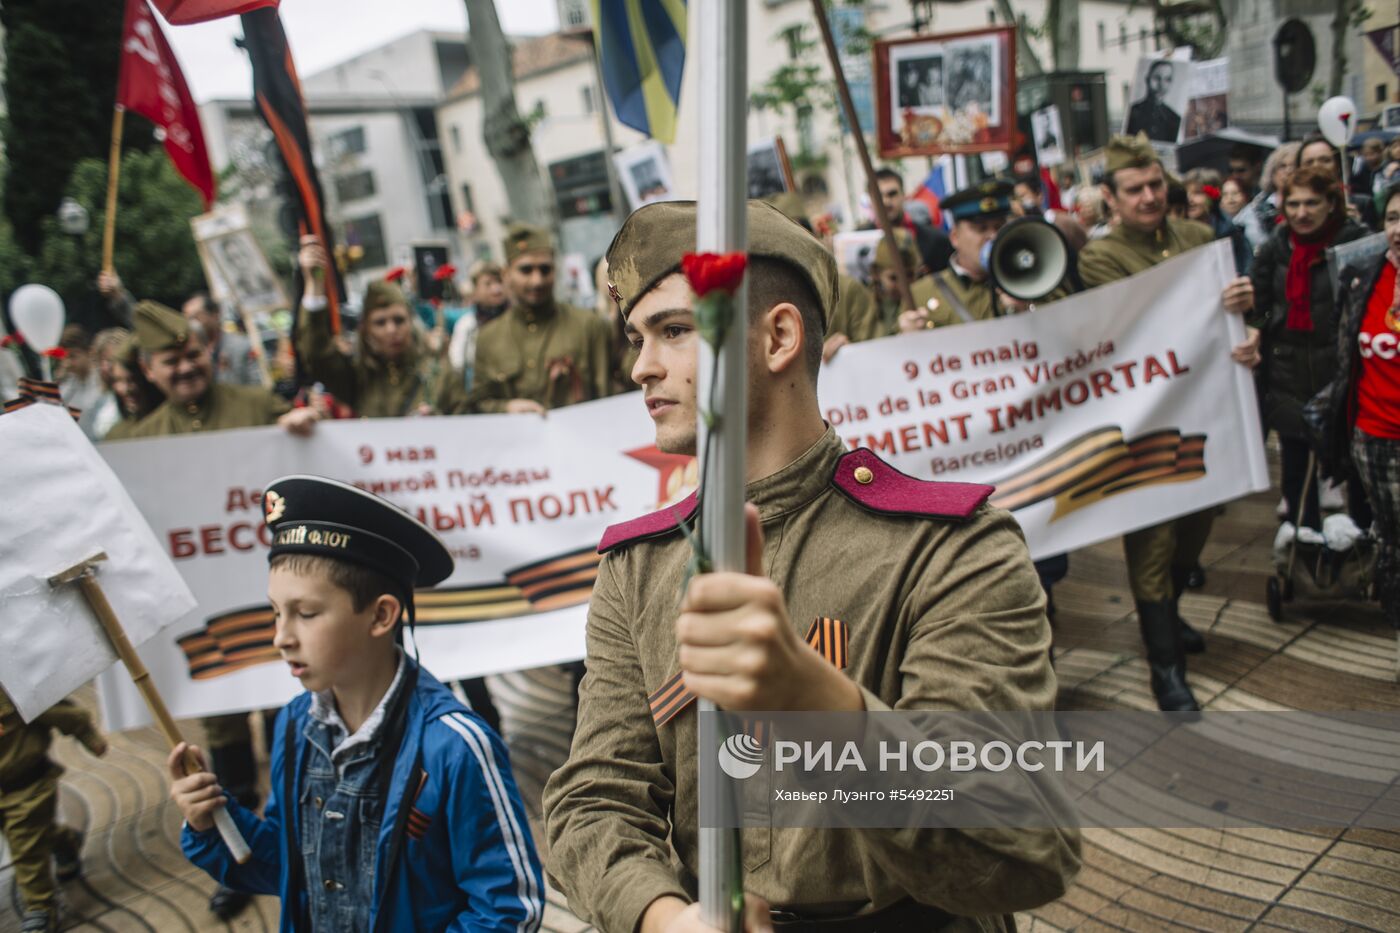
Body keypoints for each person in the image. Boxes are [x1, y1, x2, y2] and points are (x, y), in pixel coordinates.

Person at [543, 199, 1080, 933]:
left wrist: (819, 704)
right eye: (637, 337)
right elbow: (595, 798)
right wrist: (665, 917)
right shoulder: (638, 565)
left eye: (674, 330)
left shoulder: (949, 546)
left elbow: (1023, 846)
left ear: (779, 337)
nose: (641, 365)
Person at [170, 475, 544, 930]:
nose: (281, 637)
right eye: (275, 611)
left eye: (306, 614)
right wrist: (212, 824)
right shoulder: (294, 725)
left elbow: (508, 909)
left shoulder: (456, 747)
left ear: (382, 615)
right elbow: (290, 865)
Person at [125, 300, 318, 918]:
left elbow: (309, 456)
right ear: (149, 370)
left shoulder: (254, 407)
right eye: (169, 360)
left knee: (294, 721)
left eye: (191, 354)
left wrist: (302, 427)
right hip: (210, 624)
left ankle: (305, 844)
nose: (184, 368)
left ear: (206, 353)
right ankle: (237, 859)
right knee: (226, 737)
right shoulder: (134, 445)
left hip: (281, 602)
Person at [1077, 133, 1260, 712]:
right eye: (1135, 189)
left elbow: (1225, 322)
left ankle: (1173, 616)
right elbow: (1129, 326)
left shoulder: (1200, 239)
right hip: (1145, 421)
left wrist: (1245, 322)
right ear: (1111, 197)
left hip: (1204, 408)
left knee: (1196, 528)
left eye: (1156, 185)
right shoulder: (1099, 256)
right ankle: (1166, 669)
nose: (1150, 197)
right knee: (1152, 539)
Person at [1249, 166, 1370, 535]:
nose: (1302, 213)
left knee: (1353, 466)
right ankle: (1302, 548)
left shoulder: (1356, 243)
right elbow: (1260, 303)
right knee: (1296, 466)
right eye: (1294, 203)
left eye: (1312, 203)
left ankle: (1362, 549)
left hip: (1342, 371)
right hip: (1286, 371)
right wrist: (1264, 324)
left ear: (1331, 203)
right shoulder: (1274, 247)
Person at [1315, 183, 1400, 632]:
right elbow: (1344, 348)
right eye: (1392, 218)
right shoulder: (1362, 275)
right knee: (1391, 538)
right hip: (1375, 435)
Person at [297, 239, 466, 418]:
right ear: (366, 330)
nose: (391, 330)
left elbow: (466, 421)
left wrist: (439, 421)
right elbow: (317, 353)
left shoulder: (438, 373)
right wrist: (314, 284)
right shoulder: (357, 378)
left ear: (411, 323)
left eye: (399, 320)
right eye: (380, 323)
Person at [460, 224, 614, 414]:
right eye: (526, 270)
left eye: (545, 270)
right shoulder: (488, 338)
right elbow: (478, 404)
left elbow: (613, 395)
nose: (537, 280)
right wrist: (506, 408)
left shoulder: (588, 325)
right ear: (506, 275)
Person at [1, 693, 108, 933]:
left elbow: (53, 707)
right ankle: (63, 841)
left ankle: (40, 907)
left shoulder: (9, 683)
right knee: (30, 835)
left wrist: (88, 736)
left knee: (25, 846)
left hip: (26, 784)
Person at [874, 168, 953, 274]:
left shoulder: (937, 240)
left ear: (904, 195)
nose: (886, 201)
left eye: (892, 194)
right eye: (879, 196)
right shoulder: (855, 242)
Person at [446, 259, 508, 384]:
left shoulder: (517, 317)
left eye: (499, 282)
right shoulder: (467, 325)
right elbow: (457, 365)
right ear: (475, 290)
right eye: (488, 284)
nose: (496, 289)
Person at [182, 293, 262, 386]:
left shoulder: (242, 345)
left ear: (215, 314)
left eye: (196, 316)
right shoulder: (190, 352)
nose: (192, 323)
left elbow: (257, 384)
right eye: (187, 319)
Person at [1234, 141, 1300, 254]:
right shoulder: (1255, 209)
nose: (1289, 171)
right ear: (1272, 173)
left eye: (1294, 166)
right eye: (1282, 166)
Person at [53, 324, 106, 439]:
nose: (67, 363)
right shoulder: (68, 384)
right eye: (64, 358)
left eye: (73, 356)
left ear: (89, 352)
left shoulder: (102, 379)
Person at [1125, 60, 1182, 143]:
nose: (1161, 85)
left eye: (1167, 79)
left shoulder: (1174, 118)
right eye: (1157, 78)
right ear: (1147, 79)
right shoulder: (1132, 112)